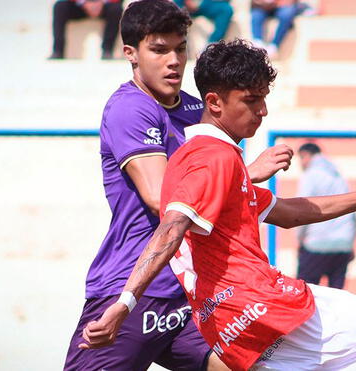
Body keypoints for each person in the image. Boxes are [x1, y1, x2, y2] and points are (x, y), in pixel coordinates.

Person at [79, 39, 356, 371]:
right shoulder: (215, 157)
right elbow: (172, 226)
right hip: (270, 305)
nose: (263, 112)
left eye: (264, 99)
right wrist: (124, 304)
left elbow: (289, 214)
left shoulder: (201, 159)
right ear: (213, 102)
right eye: (251, 100)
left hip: (230, 325)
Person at [63, 1, 292, 370]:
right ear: (130, 54)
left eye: (180, 47)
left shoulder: (196, 109)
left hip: (192, 293)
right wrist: (247, 173)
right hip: (135, 288)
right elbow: (160, 198)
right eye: (159, 49)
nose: (174, 60)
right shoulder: (130, 108)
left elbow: (232, 192)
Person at [296, 142, 356, 289]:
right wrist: (350, 241)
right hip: (342, 244)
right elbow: (352, 209)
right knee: (337, 296)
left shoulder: (311, 175)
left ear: (306, 156)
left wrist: (299, 238)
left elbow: (301, 207)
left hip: (317, 242)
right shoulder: (338, 175)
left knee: (306, 292)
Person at [50, 0, 124, 60]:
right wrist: (84, 3)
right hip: (79, 6)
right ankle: (58, 51)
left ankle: (107, 51)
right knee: (59, 6)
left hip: (105, 5)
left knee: (116, 9)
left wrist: (101, 2)